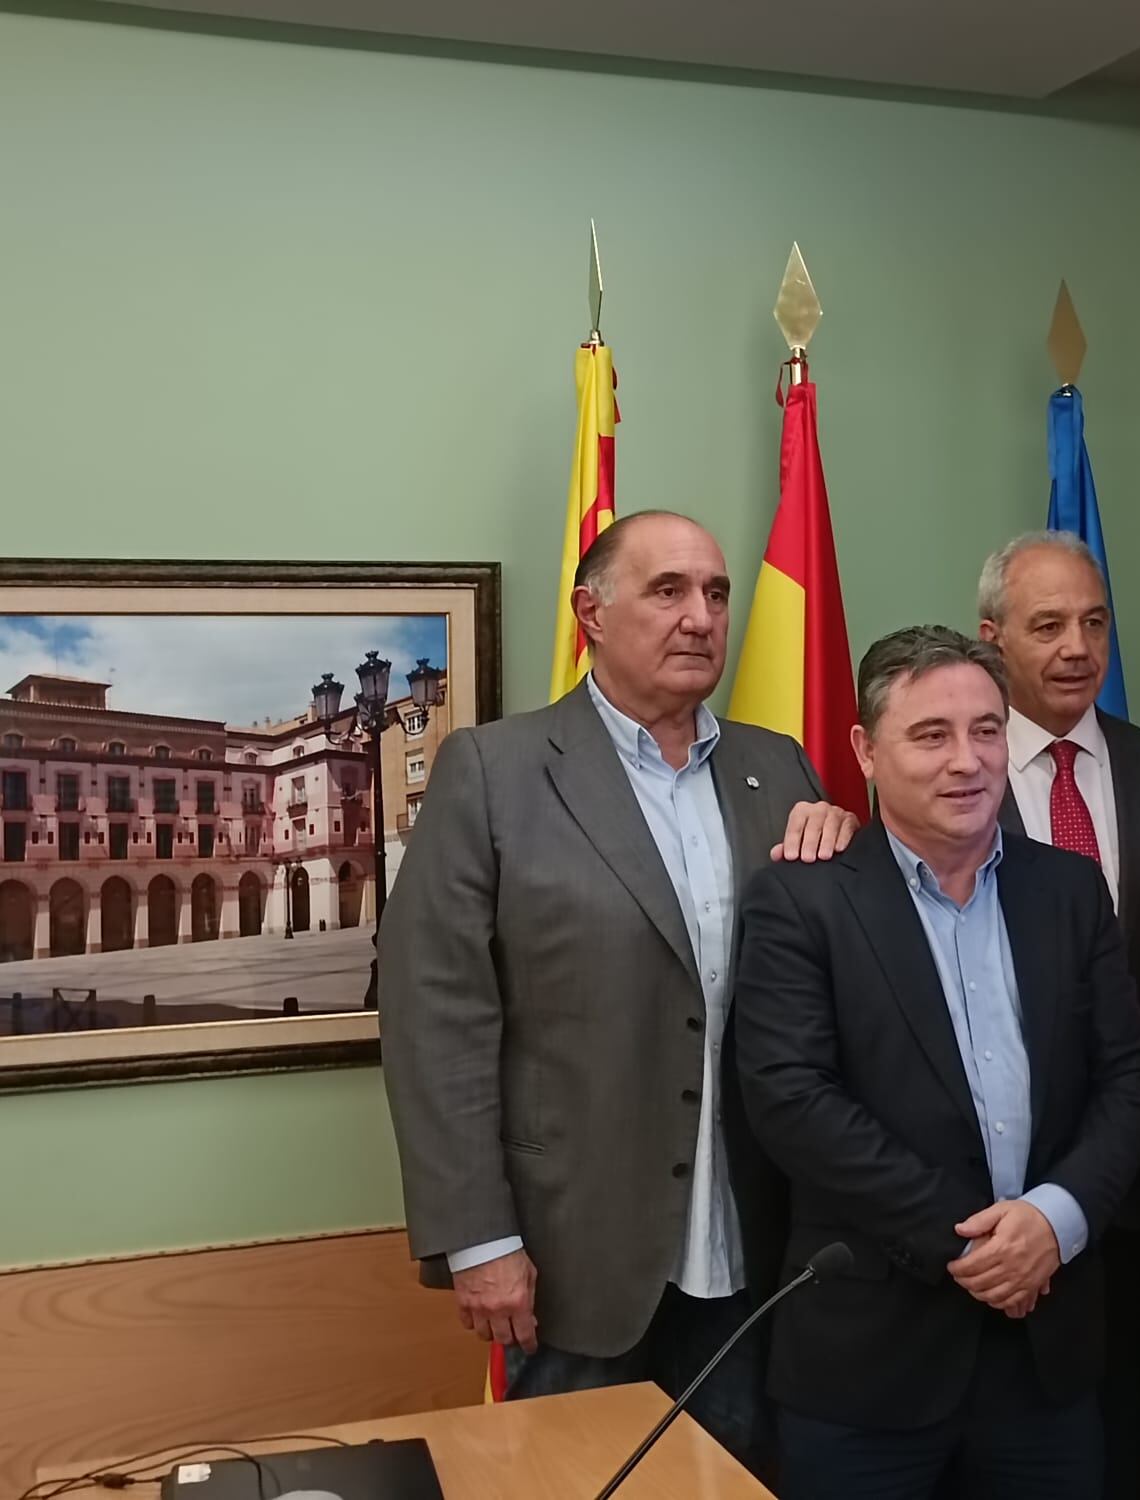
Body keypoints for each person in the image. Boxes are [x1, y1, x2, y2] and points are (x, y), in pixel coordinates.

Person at [377, 510, 859, 1473]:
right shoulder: (495, 772)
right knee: (571, 1483)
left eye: (716, 594)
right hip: (572, 1260)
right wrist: (478, 1239)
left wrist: (850, 854)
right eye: (667, 590)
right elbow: (436, 1019)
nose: (700, 617)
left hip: (750, 1250)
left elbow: (824, 989)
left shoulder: (779, 768)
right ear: (590, 613)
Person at [732, 625, 1140, 1500]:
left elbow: (1130, 1079)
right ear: (866, 751)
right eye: (931, 735)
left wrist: (1052, 1223)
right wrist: (975, 1243)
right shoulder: (801, 899)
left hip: (1046, 1351)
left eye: (986, 730)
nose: (966, 761)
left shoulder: (1070, 890)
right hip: (869, 1363)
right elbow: (792, 1100)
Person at [975, 529, 1140, 1499]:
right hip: (1003, 1193)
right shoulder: (954, 769)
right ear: (992, 638)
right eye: (1047, 626)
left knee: (1127, 1443)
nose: (1077, 648)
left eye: (1094, 623)